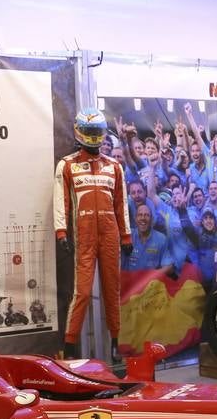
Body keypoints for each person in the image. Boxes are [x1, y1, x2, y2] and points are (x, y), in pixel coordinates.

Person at [53, 108, 133, 361]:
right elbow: (61, 201)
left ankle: (115, 344)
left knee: (112, 289)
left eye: (97, 131)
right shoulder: (67, 165)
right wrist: (61, 231)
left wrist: (126, 235)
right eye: (89, 131)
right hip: (84, 235)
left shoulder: (114, 167)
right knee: (83, 292)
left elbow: (122, 204)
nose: (93, 136)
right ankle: (70, 345)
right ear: (79, 131)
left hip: (110, 235)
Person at [123, 204, 171, 272]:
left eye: (147, 215)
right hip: (129, 280)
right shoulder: (127, 236)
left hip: (151, 282)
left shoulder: (161, 239)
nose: (143, 218)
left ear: (152, 219)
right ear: (135, 218)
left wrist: (152, 277)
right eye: (140, 215)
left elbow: (169, 266)